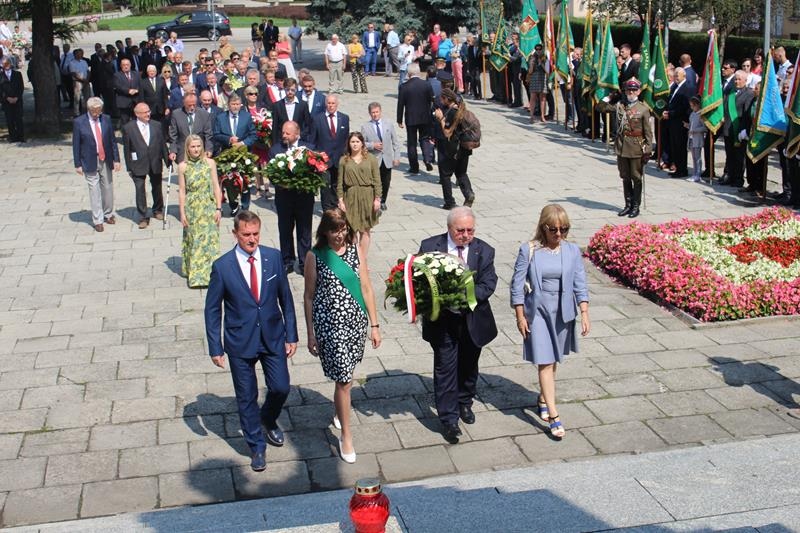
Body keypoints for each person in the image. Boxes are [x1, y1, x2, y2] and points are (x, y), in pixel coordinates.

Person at [204, 211, 298, 473]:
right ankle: (256, 446)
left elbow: (286, 299)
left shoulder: (273, 258)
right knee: (246, 397)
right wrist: (215, 347)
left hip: (272, 335)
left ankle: (267, 417)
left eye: (256, 233)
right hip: (240, 340)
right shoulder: (223, 267)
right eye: (246, 234)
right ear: (235, 234)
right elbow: (213, 310)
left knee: (281, 387)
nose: (252, 239)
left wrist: (291, 334)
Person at [303, 208, 381, 463]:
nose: (340, 235)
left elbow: (366, 288)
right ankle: (346, 436)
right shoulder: (315, 256)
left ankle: (340, 410)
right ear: (324, 231)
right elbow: (309, 296)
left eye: (343, 229)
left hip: (355, 324)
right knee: (344, 380)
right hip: (330, 327)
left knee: (347, 375)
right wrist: (310, 333)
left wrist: (374, 325)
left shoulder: (356, 251)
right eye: (335, 230)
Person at [510, 204, 590, 440]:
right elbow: (516, 285)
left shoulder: (572, 251)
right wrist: (520, 316)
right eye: (554, 229)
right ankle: (554, 415)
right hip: (538, 312)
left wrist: (584, 311)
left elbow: (580, 281)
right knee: (545, 361)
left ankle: (544, 398)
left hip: (562, 311)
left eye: (564, 229)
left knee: (554, 358)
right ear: (543, 227)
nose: (559, 234)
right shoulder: (529, 250)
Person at [418, 207, 497, 444]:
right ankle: (449, 419)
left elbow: (488, 283)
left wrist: (465, 297)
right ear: (449, 228)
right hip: (442, 321)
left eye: (470, 230)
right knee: (445, 367)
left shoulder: (484, 250)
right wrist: (440, 298)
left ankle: (464, 402)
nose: (465, 235)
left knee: (469, 365)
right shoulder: (430, 246)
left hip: (472, 319)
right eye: (460, 230)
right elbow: (417, 281)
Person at [597, 78, 653, 218]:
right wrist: (609, 97)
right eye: (629, 90)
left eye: (634, 90)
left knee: (636, 177)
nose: (631, 92)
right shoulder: (620, 106)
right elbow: (600, 108)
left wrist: (647, 150)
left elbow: (648, 132)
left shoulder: (643, 109)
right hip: (622, 146)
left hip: (636, 147)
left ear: (638, 92)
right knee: (625, 177)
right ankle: (628, 205)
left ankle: (636, 206)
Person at [269, 121, 314, 274]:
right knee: (285, 229)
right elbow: (271, 174)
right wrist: (282, 183)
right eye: (283, 132)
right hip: (284, 198)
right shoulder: (276, 150)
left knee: (304, 230)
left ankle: (304, 262)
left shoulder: (308, 149)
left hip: (304, 198)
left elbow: (315, 171)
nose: (284, 135)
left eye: (287, 133)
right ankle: (287, 260)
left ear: (297, 134)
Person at [179, 134, 222, 287]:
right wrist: (182, 213)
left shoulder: (210, 163)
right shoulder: (183, 166)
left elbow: (216, 186)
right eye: (193, 147)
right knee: (195, 240)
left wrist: (218, 208)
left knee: (210, 240)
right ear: (187, 148)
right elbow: (182, 191)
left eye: (198, 146)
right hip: (192, 207)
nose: (196, 149)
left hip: (208, 205)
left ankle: (212, 274)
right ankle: (196, 276)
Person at [72, 97, 120, 232]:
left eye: (99, 111)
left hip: (106, 158)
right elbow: (76, 144)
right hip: (89, 159)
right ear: (89, 109)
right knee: (94, 190)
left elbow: (112, 140)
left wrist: (116, 159)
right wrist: (77, 164)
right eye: (95, 112)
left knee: (108, 187)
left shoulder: (106, 119)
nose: (97, 114)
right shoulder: (79, 122)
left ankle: (108, 214)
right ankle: (98, 219)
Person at [122, 103, 169, 229]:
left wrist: (167, 161)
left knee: (157, 186)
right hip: (138, 163)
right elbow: (127, 149)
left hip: (155, 161)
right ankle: (143, 216)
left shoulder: (156, 125)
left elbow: (162, 144)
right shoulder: (128, 128)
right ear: (137, 114)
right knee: (140, 189)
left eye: (149, 111)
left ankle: (157, 209)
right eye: (145, 112)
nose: (148, 114)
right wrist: (129, 167)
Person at [337, 132, 381, 258]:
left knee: (365, 230)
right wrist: (340, 200)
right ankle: (354, 257)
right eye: (352, 142)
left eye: (357, 141)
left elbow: (377, 180)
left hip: (367, 195)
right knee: (351, 229)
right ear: (349, 144)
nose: (355, 144)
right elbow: (339, 182)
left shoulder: (371, 159)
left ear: (362, 143)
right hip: (350, 196)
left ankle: (363, 259)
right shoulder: (344, 160)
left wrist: (377, 199)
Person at [212, 94, 258, 214]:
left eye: (237, 104)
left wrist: (242, 143)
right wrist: (228, 139)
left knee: (245, 181)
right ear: (228, 105)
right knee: (229, 181)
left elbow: (253, 135)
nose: (235, 107)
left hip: (244, 155)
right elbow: (216, 134)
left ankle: (245, 207)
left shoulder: (246, 116)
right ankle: (234, 205)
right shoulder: (221, 117)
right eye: (233, 104)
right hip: (227, 155)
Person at [433, 88, 476, 209]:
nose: (441, 101)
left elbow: (447, 133)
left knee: (445, 175)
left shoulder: (451, 113)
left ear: (447, 99)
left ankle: (449, 202)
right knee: (461, 173)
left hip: (453, 149)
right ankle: (468, 194)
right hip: (465, 148)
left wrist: (441, 119)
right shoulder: (461, 110)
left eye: (442, 99)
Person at [309, 94, 350, 210]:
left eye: (333, 103)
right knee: (325, 185)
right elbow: (312, 140)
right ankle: (327, 210)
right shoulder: (317, 119)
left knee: (337, 184)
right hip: (323, 159)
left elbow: (346, 138)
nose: (331, 105)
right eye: (329, 103)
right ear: (325, 104)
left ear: (337, 104)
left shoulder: (344, 118)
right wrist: (316, 155)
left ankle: (335, 206)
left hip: (339, 158)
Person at [361, 102, 400, 211]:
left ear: (380, 112)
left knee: (386, 181)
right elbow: (361, 144)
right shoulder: (365, 126)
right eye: (373, 112)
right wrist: (372, 145)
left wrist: (396, 157)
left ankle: (383, 200)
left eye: (377, 112)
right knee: (374, 181)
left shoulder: (388, 124)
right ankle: (374, 200)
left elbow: (395, 142)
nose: (375, 114)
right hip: (374, 159)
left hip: (387, 159)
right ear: (369, 113)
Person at [396, 63, 434, 174]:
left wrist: (399, 119)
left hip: (411, 118)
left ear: (408, 73)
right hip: (425, 117)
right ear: (418, 72)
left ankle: (414, 167)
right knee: (424, 139)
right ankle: (427, 159)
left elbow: (400, 104)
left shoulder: (404, 86)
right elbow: (432, 100)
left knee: (412, 142)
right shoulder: (426, 84)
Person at [719, 70, 754, 188]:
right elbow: (724, 107)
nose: (737, 81)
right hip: (728, 128)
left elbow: (747, 113)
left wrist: (744, 129)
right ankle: (729, 176)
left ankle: (738, 179)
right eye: (735, 79)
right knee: (729, 155)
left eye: (739, 79)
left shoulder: (749, 93)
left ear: (745, 80)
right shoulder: (729, 92)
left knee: (739, 156)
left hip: (739, 129)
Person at [168, 93, 213, 164]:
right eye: (189, 105)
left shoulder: (204, 114)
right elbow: (173, 135)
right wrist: (173, 151)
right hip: (183, 153)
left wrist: (208, 149)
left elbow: (208, 135)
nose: (192, 107)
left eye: (194, 105)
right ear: (184, 103)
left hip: (199, 152)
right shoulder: (176, 114)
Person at [664, 67, 692, 178]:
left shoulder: (687, 88)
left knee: (680, 146)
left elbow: (685, 106)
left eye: (677, 75)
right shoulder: (675, 86)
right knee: (674, 145)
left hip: (680, 122)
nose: (675, 77)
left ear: (683, 76)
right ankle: (677, 168)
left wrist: (671, 113)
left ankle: (682, 169)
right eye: (674, 75)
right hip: (672, 121)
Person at [270, 77, 311, 146]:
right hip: (282, 142)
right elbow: (275, 127)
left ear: (296, 89)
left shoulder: (303, 105)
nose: (290, 92)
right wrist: (275, 145)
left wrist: (300, 135)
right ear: (284, 89)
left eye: (292, 90)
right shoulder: (277, 105)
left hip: (299, 141)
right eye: (287, 89)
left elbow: (308, 124)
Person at [0, 57, 24, 142]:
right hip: (7, 101)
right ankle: (13, 137)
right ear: (2, 65)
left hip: (17, 100)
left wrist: (17, 97)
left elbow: (21, 87)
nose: (6, 65)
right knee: (10, 120)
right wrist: (7, 98)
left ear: (10, 64)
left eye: (7, 63)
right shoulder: (1, 76)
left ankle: (21, 137)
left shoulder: (17, 74)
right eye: (4, 64)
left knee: (19, 119)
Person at [113, 58, 141, 126]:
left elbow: (141, 84)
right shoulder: (117, 75)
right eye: (124, 65)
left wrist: (137, 90)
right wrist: (128, 91)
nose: (126, 66)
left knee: (136, 121)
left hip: (135, 101)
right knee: (125, 122)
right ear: (121, 66)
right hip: (124, 102)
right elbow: (118, 86)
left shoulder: (136, 74)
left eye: (127, 64)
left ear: (130, 65)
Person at [686, 96, 706, 183]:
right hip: (691, 138)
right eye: (690, 106)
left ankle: (698, 174)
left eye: (692, 106)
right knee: (693, 157)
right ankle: (694, 174)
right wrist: (688, 126)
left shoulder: (701, 115)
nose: (691, 108)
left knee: (698, 158)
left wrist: (695, 130)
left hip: (698, 139)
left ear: (697, 105)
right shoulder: (692, 114)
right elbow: (691, 125)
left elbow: (704, 128)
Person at [527, 44, 548, 123]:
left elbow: (547, 71)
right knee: (533, 96)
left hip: (542, 76)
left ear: (542, 50)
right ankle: (531, 116)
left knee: (542, 97)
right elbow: (530, 72)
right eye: (537, 49)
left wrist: (541, 63)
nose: (538, 51)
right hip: (534, 77)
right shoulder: (532, 57)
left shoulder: (545, 57)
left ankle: (542, 115)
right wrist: (531, 64)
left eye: (539, 49)